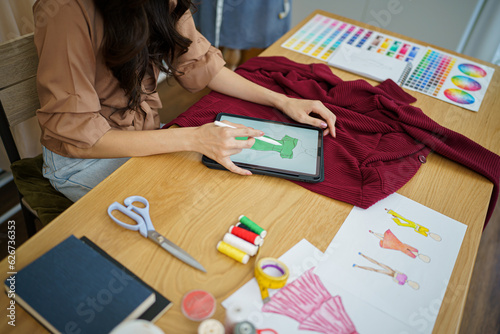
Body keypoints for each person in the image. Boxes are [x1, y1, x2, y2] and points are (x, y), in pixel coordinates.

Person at [33, 0, 336, 202]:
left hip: (146, 137)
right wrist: (194, 137)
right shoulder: (65, 10)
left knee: (229, 189)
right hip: (86, 160)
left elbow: (200, 64)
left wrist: (282, 101)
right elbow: (79, 135)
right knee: (192, 203)